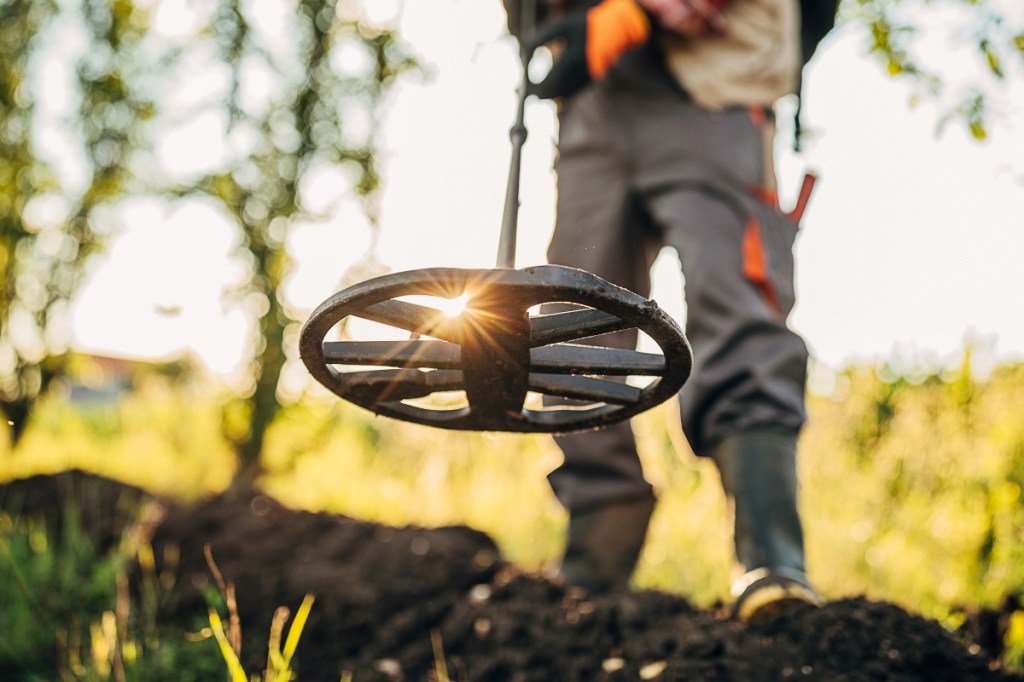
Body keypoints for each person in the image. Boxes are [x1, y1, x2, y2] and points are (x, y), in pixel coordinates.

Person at [503, 0, 827, 623]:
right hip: (591, 101)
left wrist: (634, 12)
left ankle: (772, 561)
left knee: (736, 305)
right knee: (572, 322)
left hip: (714, 86)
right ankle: (593, 564)